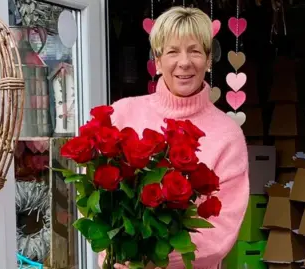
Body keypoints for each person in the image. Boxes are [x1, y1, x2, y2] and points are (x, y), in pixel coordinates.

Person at [102, 6, 250, 269]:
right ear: (157, 62)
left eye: (194, 50)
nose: (184, 62)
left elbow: (222, 230)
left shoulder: (227, 134)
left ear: (208, 59)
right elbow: (97, 204)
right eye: (172, 51)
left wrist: (149, 259)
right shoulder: (123, 114)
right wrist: (117, 250)